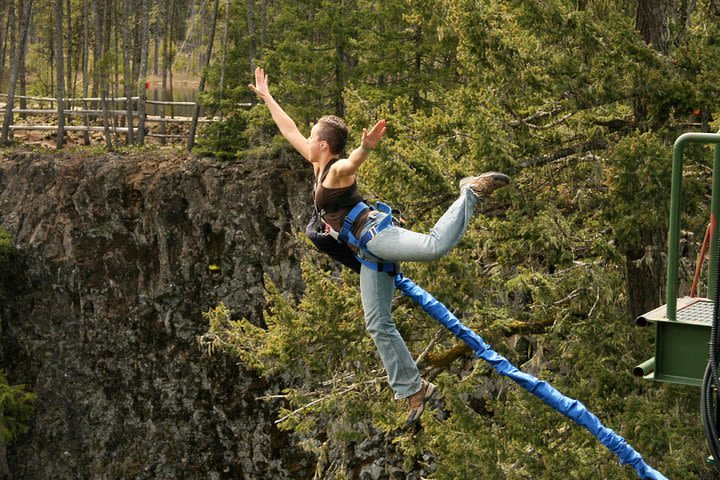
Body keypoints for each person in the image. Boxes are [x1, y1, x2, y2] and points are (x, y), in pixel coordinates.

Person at [249, 67, 509, 427]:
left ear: (324, 145)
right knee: (377, 322)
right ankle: (414, 390)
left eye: (313, 137)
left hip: (375, 235)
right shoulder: (316, 163)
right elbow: (289, 128)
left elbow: (353, 161)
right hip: (367, 254)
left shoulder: (337, 169)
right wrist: (268, 98)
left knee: (434, 247)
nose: (306, 140)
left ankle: (471, 191)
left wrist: (364, 149)